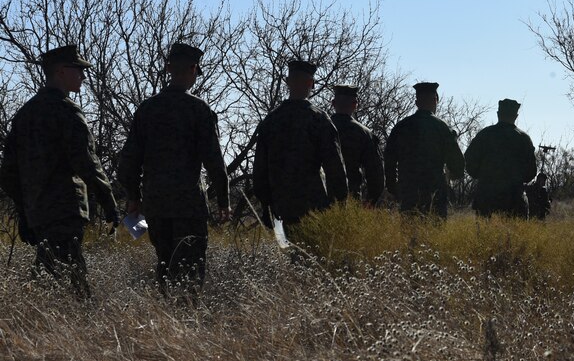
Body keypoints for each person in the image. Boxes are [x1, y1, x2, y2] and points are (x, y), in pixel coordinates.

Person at [0, 44, 119, 298]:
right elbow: (87, 162)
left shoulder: (24, 115)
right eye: (78, 70)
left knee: (51, 271)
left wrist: (24, 211)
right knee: (73, 278)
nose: (83, 76)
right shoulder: (66, 110)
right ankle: (83, 324)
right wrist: (110, 204)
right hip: (64, 209)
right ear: (62, 71)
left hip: (37, 212)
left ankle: (39, 322)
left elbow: (8, 173)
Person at [117, 42, 230, 297]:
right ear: (193, 69)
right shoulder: (198, 110)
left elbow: (128, 162)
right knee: (190, 268)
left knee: (165, 264)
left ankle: (168, 318)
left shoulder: (147, 109)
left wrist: (134, 198)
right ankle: (186, 325)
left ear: (168, 68)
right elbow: (214, 161)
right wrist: (223, 201)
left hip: (155, 204)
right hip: (188, 204)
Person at [252, 60, 348, 226]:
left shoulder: (271, 120)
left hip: (280, 205)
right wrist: (340, 204)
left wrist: (266, 205)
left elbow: (259, 170)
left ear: (288, 82)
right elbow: (335, 167)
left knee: (288, 251)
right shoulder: (319, 119)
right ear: (311, 84)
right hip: (314, 206)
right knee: (314, 251)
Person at [384, 82, 464, 217]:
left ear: (416, 102)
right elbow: (457, 164)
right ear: (436, 101)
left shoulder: (401, 127)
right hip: (435, 191)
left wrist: (393, 186)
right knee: (435, 231)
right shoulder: (442, 128)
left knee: (408, 229)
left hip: (408, 190)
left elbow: (389, 159)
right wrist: (452, 177)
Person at [464, 98, 537, 218]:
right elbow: (531, 171)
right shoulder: (523, 139)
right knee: (516, 235)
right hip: (514, 199)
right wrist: (516, 180)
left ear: (498, 114)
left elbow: (469, 161)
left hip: (486, 197)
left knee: (484, 235)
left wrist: (482, 177)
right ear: (516, 116)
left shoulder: (485, 134)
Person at [330, 84, 384, 205]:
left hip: (318, 201)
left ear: (333, 103)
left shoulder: (319, 127)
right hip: (351, 198)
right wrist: (371, 200)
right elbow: (375, 173)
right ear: (355, 105)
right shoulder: (364, 134)